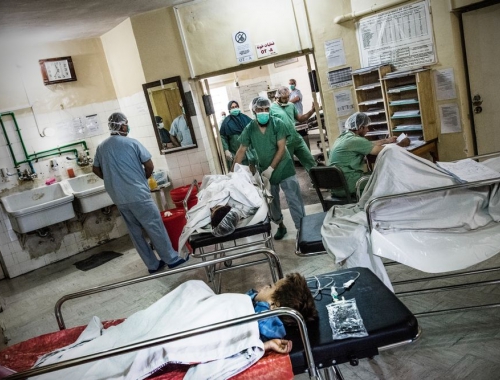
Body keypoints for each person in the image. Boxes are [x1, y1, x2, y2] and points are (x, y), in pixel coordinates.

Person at [92, 112, 187, 274]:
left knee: (135, 233)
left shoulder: (102, 147)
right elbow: (149, 166)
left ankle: (152, 265)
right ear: (122, 125)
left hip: (119, 197)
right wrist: (142, 178)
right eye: (126, 123)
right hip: (138, 195)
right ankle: (171, 259)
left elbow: (95, 169)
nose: (127, 126)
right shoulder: (132, 144)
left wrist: (112, 181)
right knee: (155, 226)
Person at [233, 96, 306, 240]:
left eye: (266, 109)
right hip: (265, 171)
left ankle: (302, 228)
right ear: (254, 110)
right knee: (272, 202)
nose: (264, 112)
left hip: (284, 167)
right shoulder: (250, 129)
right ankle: (281, 225)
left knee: (294, 199)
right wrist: (232, 174)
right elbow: (241, 150)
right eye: (260, 109)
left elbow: (281, 149)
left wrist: (271, 168)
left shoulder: (278, 124)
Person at [328, 111, 411, 195]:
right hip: (348, 185)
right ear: (360, 127)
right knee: (388, 176)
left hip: (337, 185)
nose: (368, 130)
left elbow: (367, 144)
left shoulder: (344, 137)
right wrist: (402, 144)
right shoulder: (355, 140)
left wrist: (387, 140)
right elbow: (382, 150)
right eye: (366, 127)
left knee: (377, 174)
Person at [270, 86, 317, 173]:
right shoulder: (271, 108)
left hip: (296, 139)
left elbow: (301, 118)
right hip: (284, 142)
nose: (287, 99)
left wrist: (312, 111)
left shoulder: (291, 105)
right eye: (284, 98)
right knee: (289, 169)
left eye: (288, 97)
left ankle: (318, 183)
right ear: (277, 97)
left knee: (310, 162)